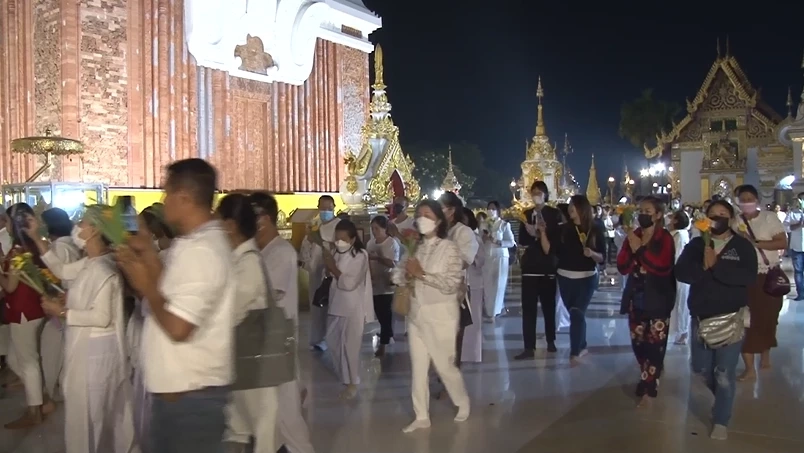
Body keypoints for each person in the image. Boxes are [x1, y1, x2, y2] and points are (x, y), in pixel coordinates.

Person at [116, 158, 236, 453]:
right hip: (182, 398)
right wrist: (146, 252)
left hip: (190, 402)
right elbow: (172, 295)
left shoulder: (202, 250)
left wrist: (146, 287)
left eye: (166, 192)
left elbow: (179, 327)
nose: (162, 200)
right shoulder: (195, 242)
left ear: (183, 198)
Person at [40, 205, 137, 452]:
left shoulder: (104, 268)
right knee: (87, 416)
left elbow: (102, 316)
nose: (78, 227)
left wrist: (62, 312)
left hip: (96, 353)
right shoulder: (92, 262)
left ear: (94, 230)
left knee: (93, 418)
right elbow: (61, 271)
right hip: (88, 349)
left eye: (82, 222)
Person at [675, 200, 757, 440]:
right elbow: (681, 272)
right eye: (713, 215)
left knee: (723, 372)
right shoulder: (697, 244)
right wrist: (704, 264)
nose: (717, 218)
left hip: (731, 317)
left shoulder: (741, 246)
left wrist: (717, 266)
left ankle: (721, 418)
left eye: (723, 214)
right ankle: (724, 397)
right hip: (701, 315)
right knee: (701, 369)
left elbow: (748, 276)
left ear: (731, 218)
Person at [393, 200, 470, 433]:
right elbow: (397, 273)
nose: (422, 218)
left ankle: (462, 401)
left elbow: (451, 283)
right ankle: (421, 415)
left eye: (427, 214)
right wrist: (405, 275)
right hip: (417, 314)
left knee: (444, 366)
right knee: (418, 368)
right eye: (419, 214)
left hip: (441, 316)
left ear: (438, 220)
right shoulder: (413, 247)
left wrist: (422, 275)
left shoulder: (450, 249)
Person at [250, 192, 315, 453]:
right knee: (269, 420)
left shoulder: (281, 252)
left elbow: (268, 297)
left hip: (277, 344)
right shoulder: (258, 251)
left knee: (289, 419)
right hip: (260, 344)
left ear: (263, 219)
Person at [216, 194, 278, 453]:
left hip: (255, 363)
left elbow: (230, 312)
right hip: (241, 362)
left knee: (260, 432)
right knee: (239, 429)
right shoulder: (235, 260)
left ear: (230, 225)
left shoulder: (249, 262)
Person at [617, 197, 676, 407]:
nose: (643, 213)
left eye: (648, 210)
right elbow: (622, 266)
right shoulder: (634, 236)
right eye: (640, 210)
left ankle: (649, 387)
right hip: (637, 297)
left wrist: (640, 250)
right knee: (638, 343)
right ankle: (647, 374)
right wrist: (632, 248)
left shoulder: (664, 238)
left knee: (655, 345)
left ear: (658, 214)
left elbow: (661, 266)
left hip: (658, 297)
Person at [22, 208, 82, 414]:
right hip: (69, 304)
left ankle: (51, 396)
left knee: (51, 353)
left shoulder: (59, 247)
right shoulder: (70, 244)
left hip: (65, 306)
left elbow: (61, 274)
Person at [0, 204, 50, 428]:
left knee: (28, 362)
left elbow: (10, 287)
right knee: (15, 358)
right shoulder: (33, 247)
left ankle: (35, 412)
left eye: (8, 222)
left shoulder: (18, 252)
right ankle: (40, 399)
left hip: (22, 311)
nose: (6, 226)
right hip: (32, 309)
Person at [731, 184, 787, 381]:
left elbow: (782, 242)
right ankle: (749, 367)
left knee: (768, 316)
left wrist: (757, 244)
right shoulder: (735, 222)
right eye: (742, 199)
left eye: (749, 198)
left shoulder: (769, 218)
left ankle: (765, 353)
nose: (746, 202)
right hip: (745, 276)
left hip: (768, 274)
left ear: (757, 200)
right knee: (746, 320)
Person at [544, 195, 605, 365]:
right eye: (570, 206)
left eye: (573, 205)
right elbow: (551, 250)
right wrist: (542, 233)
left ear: (582, 208)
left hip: (586, 278)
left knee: (578, 312)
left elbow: (602, 257)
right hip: (565, 277)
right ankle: (582, 344)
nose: (570, 208)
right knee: (575, 313)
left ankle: (575, 351)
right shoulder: (562, 230)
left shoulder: (595, 229)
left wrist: (592, 254)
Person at [322, 219, 373, 400]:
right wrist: (328, 269)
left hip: (353, 305)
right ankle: (346, 376)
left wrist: (332, 268)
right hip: (336, 303)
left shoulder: (360, 255)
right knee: (332, 340)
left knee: (351, 346)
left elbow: (349, 283)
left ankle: (353, 382)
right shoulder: (336, 252)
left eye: (343, 239)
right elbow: (330, 274)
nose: (339, 242)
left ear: (352, 239)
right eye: (337, 238)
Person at [515, 181, 562, 359]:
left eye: (539, 192)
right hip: (530, 266)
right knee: (528, 309)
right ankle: (529, 347)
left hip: (547, 265)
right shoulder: (526, 214)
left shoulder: (554, 214)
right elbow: (522, 240)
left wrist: (542, 232)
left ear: (545, 194)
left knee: (549, 306)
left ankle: (551, 340)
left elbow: (555, 241)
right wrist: (531, 231)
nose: (536, 195)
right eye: (533, 192)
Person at [438, 192, 479, 366]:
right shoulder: (439, 232)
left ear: (451, 210)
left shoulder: (463, 232)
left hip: (455, 290)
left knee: (453, 340)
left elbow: (464, 262)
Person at [300, 195, 340, 351]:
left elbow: (340, 246)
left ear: (334, 207)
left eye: (329, 209)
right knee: (316, 306)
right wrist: (309, 240)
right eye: (323, 209)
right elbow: (306, 247)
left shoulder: (339, 226)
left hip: (330, 273)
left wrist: (320, 242)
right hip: (315, 272)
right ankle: (316, 338)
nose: (326, 212)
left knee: (329, 307)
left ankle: (328, 338)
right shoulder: (317, 226)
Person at [366, 216, 400, 357]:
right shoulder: (370, 243)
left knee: (385, 315)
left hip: (387, 283)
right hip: (374, 283)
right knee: (379, 314)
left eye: (377, 229)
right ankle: (388, 335)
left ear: (385, 228)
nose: (374, 232)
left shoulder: (391, 243)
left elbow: (393, 263)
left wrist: (378, 257)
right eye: (372, 229)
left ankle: (384, 344)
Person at [481, 201, 515, 320]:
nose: (491, 210)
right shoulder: (483, 224)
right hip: (487, 256)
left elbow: (511, 242)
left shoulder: (503, 225)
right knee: (487, 284)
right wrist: (483, 238)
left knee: (498, 284)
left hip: (500, 256)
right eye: (489, 208)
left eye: (493, 208)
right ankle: (488, 310)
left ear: (498, 210)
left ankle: (495, 312)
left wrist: (499, 242)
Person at [461, 208, 484, 363]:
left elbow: (481, 261)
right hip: (460, 283)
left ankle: (474, 354)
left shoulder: (476, 238)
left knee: (474, 320)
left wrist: (470, 258)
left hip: (474, 282)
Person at [667, 210, 691, 344]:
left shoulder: (680, 235)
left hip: (678, 273)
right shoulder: (674, 234)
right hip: (673, 273)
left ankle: (683, 332)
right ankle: (678, 331)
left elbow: (677, 255)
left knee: (680, 302)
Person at [784, 192, 804, 301]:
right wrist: (799, 224)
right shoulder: (793, 213)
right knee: (799, 271)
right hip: (797, 247)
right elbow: (786, 227)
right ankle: (801, 293)